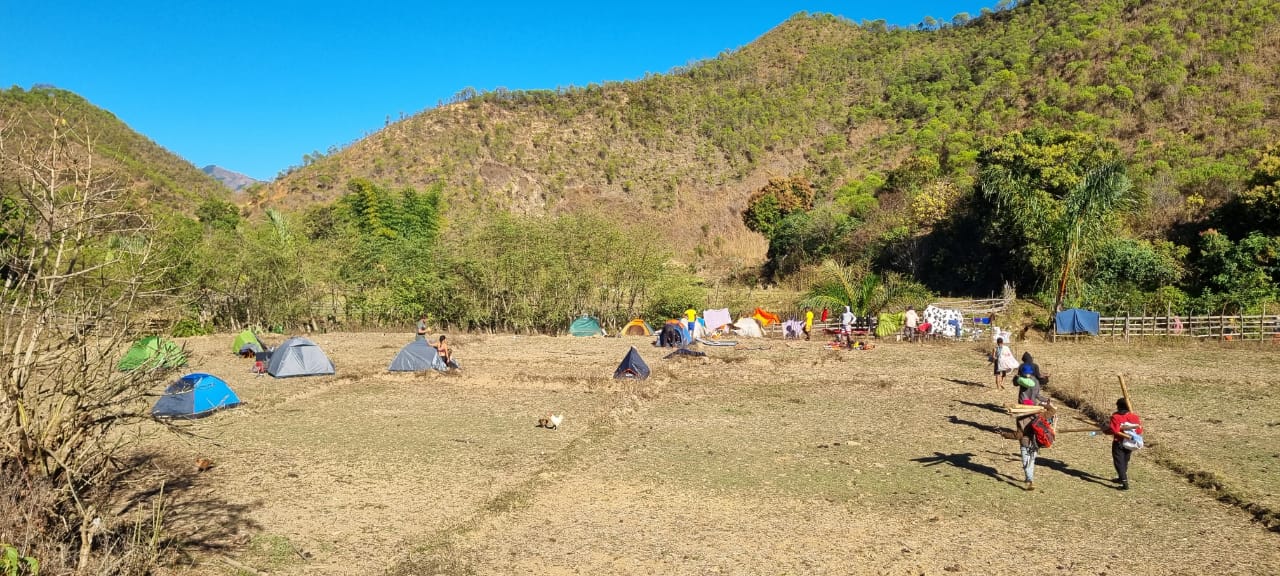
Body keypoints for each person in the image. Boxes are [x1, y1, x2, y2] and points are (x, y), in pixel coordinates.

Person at [1012, 363, 1050, 491]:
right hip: (1033, 414)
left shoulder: (1025, 381)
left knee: (1025, 444)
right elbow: (1038, 395)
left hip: (1025, 414)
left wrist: (1017, 378)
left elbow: (1017, 383)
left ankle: (1029, 477)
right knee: (1031, 447)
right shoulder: (1034, 381)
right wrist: (1046, 401)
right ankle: (1029, 476)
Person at [1106, 398, 1143, 490]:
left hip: (1119, 442)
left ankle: (1124, 482)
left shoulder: (1116, 416)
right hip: (1130, 443)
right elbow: (1139, 430)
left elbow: (1114, 430)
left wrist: (1106, 431)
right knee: (1125, 461)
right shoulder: (1134, 417)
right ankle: (1120, 478)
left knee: (1119, 462)